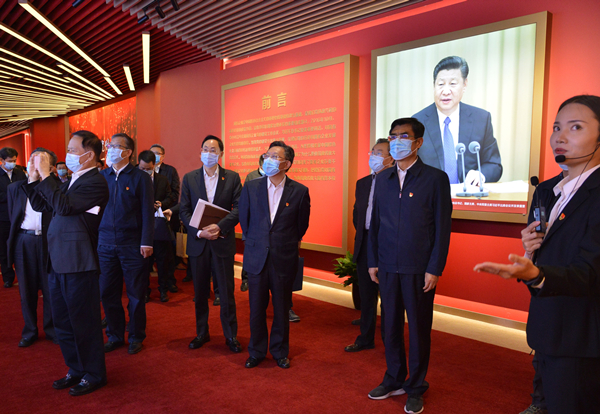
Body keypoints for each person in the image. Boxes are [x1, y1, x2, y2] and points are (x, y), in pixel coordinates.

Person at [475, 95, 600, 413]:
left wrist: (538, 274)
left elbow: (590, 271)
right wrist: (529, 253)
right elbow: (544, 247)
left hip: (580, 332)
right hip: (546, 319)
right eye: (556, 127)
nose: (559, 137)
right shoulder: (546, 189)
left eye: (575, 127)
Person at [367, 118, 452, 414]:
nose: (397, 141)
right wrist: (373, 261)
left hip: (419, 268)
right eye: (393, 137)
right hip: (387, 266)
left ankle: (415, 386)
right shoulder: (383, 179)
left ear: (418, 142)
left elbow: (442, 228)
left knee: (417, 329)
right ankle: (393, 378)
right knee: (390, 326)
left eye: (404, 136)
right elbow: (375, 224)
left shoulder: (435, 179)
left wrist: (435, 267)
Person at [25, 130, 109, 396]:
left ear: (89, 155)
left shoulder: (96, 182)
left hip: (79, 261)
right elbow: (43, 206)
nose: (68, 154)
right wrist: (34, 178)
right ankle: (75, 368)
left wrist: (47, 174)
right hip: (58, 260)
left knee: (84, 322)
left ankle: (94, 373)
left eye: (73, 150)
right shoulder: (71, 180)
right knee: (62, 322)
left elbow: (64, 207)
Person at [239, 140, 311, 369]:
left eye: (275, 156)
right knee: (256, 309)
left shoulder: (299, 191)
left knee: (281, 309)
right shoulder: (251, 187)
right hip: (256, 257)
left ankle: (280, 351)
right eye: (267, 155)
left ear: (287, 164)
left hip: (283, 258)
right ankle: (256, 351)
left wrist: (282, 241)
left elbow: (301, 226)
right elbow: (244, 220)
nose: (268, 160)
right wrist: (257, 241)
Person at [179, 135, 242, 353]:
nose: (209, 153)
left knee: (226, 292)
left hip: (222, 242)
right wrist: (199, 232)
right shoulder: (190, 178)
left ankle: (231, 335)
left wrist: (219, 227)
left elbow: (239, 208)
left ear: (221, 154)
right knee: (200, 292)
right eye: (205, 149)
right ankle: (201, 332)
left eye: (213, 150)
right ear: (200, 152)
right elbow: (184, 210)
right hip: (199, 244)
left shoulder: (232, 178)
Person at [99, 133, 154, 355]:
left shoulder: (140, 178)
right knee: (107, 292)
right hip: (105, 243)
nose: (111, 149)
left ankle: (136, 335)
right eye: (110, 145)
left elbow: (147, 212)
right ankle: (114, 335)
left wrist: (146, 242)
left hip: (132, 244)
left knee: (135, 294)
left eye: (116, 146)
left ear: (128, 152)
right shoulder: (102, 176)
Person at [413, 56, 502, 185]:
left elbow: (494, 164)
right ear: (434, 86)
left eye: (453, 84)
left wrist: (481, 174)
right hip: (430, 194)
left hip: (468, 195)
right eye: (441, 84)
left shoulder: (481, 119)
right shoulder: (417, 122)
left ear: (464, 85)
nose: (446, 91)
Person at [344, 138, 394, 353]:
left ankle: (390, 341)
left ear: (391, 158)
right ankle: (365, 338)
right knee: (366, 294)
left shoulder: (397, 181)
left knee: (389, 297)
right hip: (365, 244)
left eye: (379, 152)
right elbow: (357, 214)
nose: (374, 156)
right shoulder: (363, 183)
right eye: (372, 152)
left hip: (388, 246)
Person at [7, 148, 59, 347]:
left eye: (41, 162)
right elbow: (13, 217)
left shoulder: (57, 187)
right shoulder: (15, 188)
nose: (34, 165)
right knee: (26, 290)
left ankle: (51, 329)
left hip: (48, 241)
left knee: (50, 288)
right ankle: (30, 330)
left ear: (50, 167)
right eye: (32, 161)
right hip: (24, 240)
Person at [138, 150, 176, 302]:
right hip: (140, 226)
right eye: (142, 168)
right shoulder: (135, 178)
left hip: (158, 225)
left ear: (154, 165)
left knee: (162, 260)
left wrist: (162, 204)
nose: (145, 171)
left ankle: (163, 289)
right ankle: (145, 291)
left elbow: (170, 197)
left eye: (148, 169)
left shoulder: (162, 180)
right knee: (144, 263)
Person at [151, 144, 181, 291]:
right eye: (152, 153)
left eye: (158, 153)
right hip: (148, 218)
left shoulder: (170, 171)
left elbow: (175, 194)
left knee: (168, 253)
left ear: (163, 155)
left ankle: (169, 281)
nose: (155, 156)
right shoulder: (141, 169)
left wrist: (162, 204)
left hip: (166, 217)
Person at [0, 147, 27, 288]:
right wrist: (12, 195)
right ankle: (8, 278)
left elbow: (25, 190)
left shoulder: (20, 174)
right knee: (4, 250)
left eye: (15, 160)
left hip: (19, 217)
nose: (13, 163)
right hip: (3, 218)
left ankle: (24, 277)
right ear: (2, 160)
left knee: (20, 248)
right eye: (10, 161)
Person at [240, 154, 266, 292]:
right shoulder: (251, 177)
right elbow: (245, 204)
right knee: (249, 254)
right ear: (261, 164)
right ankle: (245, 279)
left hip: (266, 225)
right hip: (253, 224)